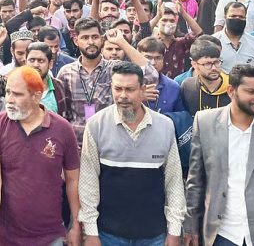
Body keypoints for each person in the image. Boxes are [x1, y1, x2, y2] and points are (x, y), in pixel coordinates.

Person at [183, 65, 254, 246]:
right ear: (231, 91)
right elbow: (195, 181)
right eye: (251, 92)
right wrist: (190, 226)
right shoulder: (204, 122)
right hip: (221, 234)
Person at [78, 62, 186, 246]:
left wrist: (174, 230)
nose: (123, 96)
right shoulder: (96, 125)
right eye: (117, 89)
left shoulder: (165, 126)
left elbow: (174, 182)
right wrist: (91, 232)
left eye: (130, 89)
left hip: (154, 235)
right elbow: (89, 181)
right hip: (108, 234)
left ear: (143, 90)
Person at [0, 66, 81, 246]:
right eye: (7, 92)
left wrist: (75, 225)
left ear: (37, 96)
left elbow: (73, 180)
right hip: (6, 236)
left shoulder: (63, 129)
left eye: (17, 94)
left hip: (50, 236)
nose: (9, 100)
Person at [57, 18, 159, 145]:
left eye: (94, 37)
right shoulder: (66, 72)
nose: (90, 42)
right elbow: (62, 114)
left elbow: (152, 75)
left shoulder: (115, 68)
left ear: (101, 39)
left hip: (111, 142)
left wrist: (122, 43)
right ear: (76, 41)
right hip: (77, 145)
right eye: (85, 38)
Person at [212, 2, 254, 75]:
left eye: (241, 17)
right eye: (233, 16)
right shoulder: (213, 42)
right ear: (225, 17)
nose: (237, 19)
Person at [180, 40, 230, 116]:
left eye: (217, 62)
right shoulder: (188, 86)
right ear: (194, 65)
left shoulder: (232, 86)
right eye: (207, 64)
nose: (214, 68)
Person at [137, 37, 185, 113]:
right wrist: (137, 98)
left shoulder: (173, 87)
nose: (153, 63)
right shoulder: (128, 84)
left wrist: (164, 118)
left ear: (163, 59)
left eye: (158, 58)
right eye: (148, 57)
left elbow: (183, 115)